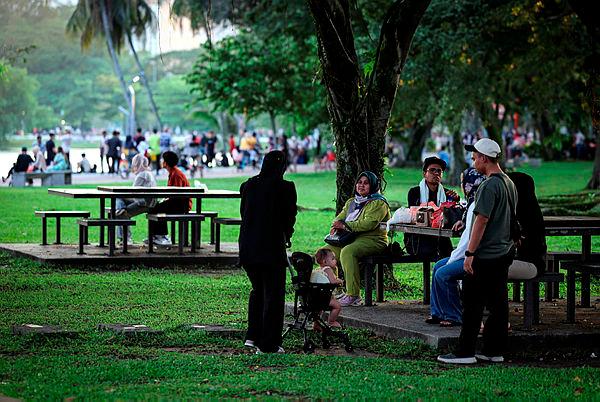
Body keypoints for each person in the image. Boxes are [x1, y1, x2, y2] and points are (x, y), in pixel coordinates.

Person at [438, 138, 517, 364]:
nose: (473, 161)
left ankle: (464, 352)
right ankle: (494, 350)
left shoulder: (489, 185)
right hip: (503, 253)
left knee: (473, 305)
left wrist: (470, 254)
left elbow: (481, 220)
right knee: (498, 304)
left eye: (475, 157)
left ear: (484, 158)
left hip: (485, 255)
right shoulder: (509, 183)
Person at [239, 150, 297, 353]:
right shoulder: (286, 188)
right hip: (271, 248)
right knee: (273, 294)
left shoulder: (248, 185)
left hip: (248, 247)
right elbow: (289, 218)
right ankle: (269, 344)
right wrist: (287, 236)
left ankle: (253, 336)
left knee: (258, 291)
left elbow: (244, 212)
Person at [426, 167, 486, 327]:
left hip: (477, 257)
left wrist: (452, 259)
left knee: (443, 273)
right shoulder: (472, 203)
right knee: (439, 266)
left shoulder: (477, 205)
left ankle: (454, 315)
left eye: (462, 182)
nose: (461, 185)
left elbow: (466, 243)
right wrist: (463, 221)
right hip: (472, 254)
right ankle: (438, 312)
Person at [326, 171, 391, 307]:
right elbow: (340, 216)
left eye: (366, 183)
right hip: (351, 238)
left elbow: (369, 223)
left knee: (348, 252)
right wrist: (336, 225)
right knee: (325, 252)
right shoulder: (352, 202)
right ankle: (337, 290)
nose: (361, 185)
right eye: (359, 182)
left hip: (373, 240)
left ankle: (353, 295)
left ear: (373, 186)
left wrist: (345, 225)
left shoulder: (378, 203)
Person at [404, 156, 458, 259]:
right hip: (418, 237)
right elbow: (415, 215)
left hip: (440, 237)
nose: (436, 173)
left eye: (439, 171)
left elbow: (449, 218)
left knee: (450, 255)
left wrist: (455, 201)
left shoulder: (447, 193)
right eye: (432, 170)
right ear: (424, 173)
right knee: (433, 253)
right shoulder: (414, 192)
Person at [507, 172, 547, 280]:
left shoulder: (528, 217)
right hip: (518, 261)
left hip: (530, 264)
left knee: (483, 269)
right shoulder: (516, 212)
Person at [147, 151, 191, 246]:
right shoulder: (173, 172)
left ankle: (162, 236)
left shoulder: (176, 174)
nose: (161, 161)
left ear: (166, 163)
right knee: (155, 207)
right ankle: (155, 235)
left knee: (156, 208)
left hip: (182, 205)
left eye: (163, 160)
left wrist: (165, 200)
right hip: (177, 203)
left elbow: (177, 194)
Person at [115, 154, 157, 244]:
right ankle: (120, 209)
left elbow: (133, 192)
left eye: (134, 164)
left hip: (144, 202)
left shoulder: (142, 175)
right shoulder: (149, 173)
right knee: (119, 201)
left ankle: (126, 239)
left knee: (120, 212)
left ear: (136, 164)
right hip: (150, 202)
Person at [311, 248, 344, 328]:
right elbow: (333, 281)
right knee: (337, 306)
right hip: (324, 297)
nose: (335, 260)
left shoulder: (317, 270)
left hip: (315, 297)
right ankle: (331, 322)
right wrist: (340, 281)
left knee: (319, 309)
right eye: (333, 259)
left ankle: (316, 324)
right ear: (325, 262)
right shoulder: (328, 269)